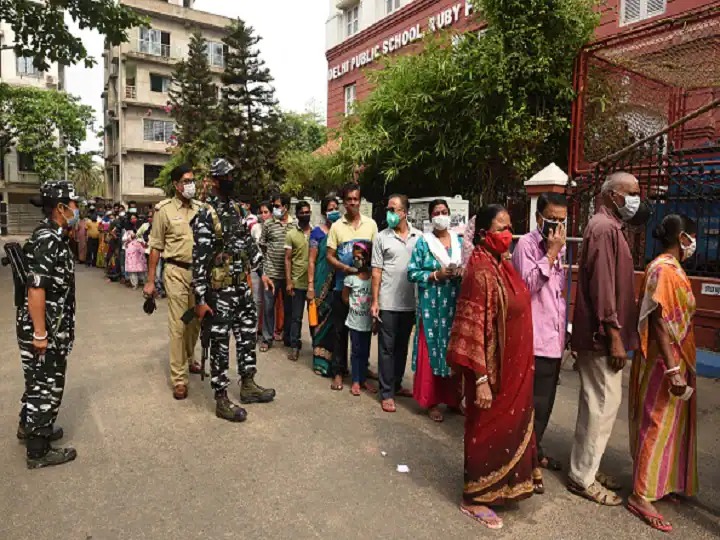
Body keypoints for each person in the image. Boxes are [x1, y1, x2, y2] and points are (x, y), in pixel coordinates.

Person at [447, 204, 540, 530]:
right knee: (486, 428)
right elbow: (472, 331)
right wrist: (482, 380)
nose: (508, 233)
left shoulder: (503, 264)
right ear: (485, 233)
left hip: (514, 368)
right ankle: (475, 496)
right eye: (501, 228)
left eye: (510, 226)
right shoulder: (480, 272)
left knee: (508, 428)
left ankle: (502, 485)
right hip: (492, 373)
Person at [568, 172, 643, 505]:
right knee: (602, 406)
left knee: (594, 404)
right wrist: (613, 334)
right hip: (601, 337)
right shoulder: (604, 229)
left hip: (602, 333)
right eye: (633, 193)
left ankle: (586, 467)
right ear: (613, 195)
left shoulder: (608, 228)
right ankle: (583, 477)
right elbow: (602, 286)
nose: (638, 200)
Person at [628, 214, 698, 532]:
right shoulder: (663, 270)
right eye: (692, 237)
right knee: (656, 424)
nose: (694, 244)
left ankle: (660, 483)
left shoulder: (673, 268)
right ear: (683, 237)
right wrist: (672, 369)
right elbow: (657, 321)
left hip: (679, 358)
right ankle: (641, 494)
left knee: (673, 426)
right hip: (662, 361)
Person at [193, 158, 275, 422]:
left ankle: (248, 384)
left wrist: (263, 272)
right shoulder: (207, 214)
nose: (231, 180)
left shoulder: (238, 210)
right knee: (219, 346)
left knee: (247, 338)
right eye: (226, 176)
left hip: (242, 288)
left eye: (232, 175)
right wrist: (200, 299)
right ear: (215, 181)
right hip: (220, 293)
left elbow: (249, 245)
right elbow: (200, 260)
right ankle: (221, 398)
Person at [17, 180, 81, 469]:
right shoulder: (48, 240)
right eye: (74, 204)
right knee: (47, 384)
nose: (77, 209)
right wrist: (41, 333)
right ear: (60, 207)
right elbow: (36, 289)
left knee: (38, 380)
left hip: (50, 326)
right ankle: (38, 450)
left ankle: (29, 427)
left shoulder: (53, 236)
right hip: (45, 328)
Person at [511, 192, 568, 478]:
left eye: (562, 220)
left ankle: (536, 451)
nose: (556, 225)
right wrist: (551, 254)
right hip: (533, 340)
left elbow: (558, 293)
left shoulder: (561, 247)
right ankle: (525, 464)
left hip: (554, 339)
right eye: (551, 219)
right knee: (531, 406)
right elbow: (525, 289)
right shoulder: (527, 245)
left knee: (545, 405)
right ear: (538, 218)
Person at [145, 164, 203, 400]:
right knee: (179, 325)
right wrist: (150, 281)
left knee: (194, 321)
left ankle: (189, 357)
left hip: (198, 275)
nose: (191, 185)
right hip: (176, 272)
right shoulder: (164, 210)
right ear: (176, 185)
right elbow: (156, 247)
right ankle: (179, 378)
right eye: (187, 181)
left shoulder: (202, 209)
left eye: (192, 180)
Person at [407, 199, 463, 421]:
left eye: (444, 212)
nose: (441, 215)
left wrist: (460, 272)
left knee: (452, 351)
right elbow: (412, 272)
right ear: (431, 218)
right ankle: (430, 401)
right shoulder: (423, 243)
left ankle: (453, 399)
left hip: (453, 304)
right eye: (437, 212)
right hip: (431, 306)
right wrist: (433, 275)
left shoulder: (459, 241)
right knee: (430, 351)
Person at [371, 194, 421, 413]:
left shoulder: (419, 237)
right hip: (388, 302)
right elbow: (376, 272)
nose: (389, 213)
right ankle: (386, 392)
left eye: (393, 209)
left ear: (404, 212)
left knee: (401, 348)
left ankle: (397, 383)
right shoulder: (382, 237)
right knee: (386, 349)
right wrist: (375, 301)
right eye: (388, 209)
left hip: (410, 303)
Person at [327, 182, 378, 391]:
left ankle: (361, 371)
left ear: (360, 200)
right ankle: (338, 372)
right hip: (343, 287)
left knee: (363, 332)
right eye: (349, 200)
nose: (353, 203)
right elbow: (329, 256)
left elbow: (377, 255)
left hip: (364, 290)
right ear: (344, 202)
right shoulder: (337, 227)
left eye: (356, 199)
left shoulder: (371, 225)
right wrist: (344, 267)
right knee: (340, 332)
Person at [307, 196, 341, 376]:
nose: (334, 211)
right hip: (320, 284)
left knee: (335, 324)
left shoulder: (342, 231)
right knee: (318, 322)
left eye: (336, 208)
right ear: (323, 212)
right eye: (330, 208)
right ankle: (320, 361)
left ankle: (335, 363)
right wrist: (311, 285)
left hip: (337, 283)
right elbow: (311, 261)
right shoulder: (317, 234)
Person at [259, 194, 294, 352]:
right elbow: (263, 246)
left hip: (289, 276)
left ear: (286, 207)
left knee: (289, 308)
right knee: (268, 308)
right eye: (274, 206)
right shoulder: (268, 224)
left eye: (278, 206)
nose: (275, 209)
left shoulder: (295, 225)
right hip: (271, 273)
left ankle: (287, 337)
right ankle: (267, 338)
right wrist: (265, 270)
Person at [342, 241, 375, 396]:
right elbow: (345, 297)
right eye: (355, 257)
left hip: (368, 322)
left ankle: (362, 379)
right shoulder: (350, 279)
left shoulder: (373, 278)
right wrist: (355, 306)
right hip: (354, 321)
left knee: (365, 351)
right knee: (356, 350)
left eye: (360, 256)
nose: (357, 260)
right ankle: (355, 380)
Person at [284, 201, 312, 361]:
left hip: (313, 283)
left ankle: (318, 348)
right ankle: (294, 346)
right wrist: (289, 281)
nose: (305, 215)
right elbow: (287, 259)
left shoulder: (316, 233)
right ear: (297, 215)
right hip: (297, 281)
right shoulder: (291, 234)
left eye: (307, 212)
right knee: (296, 317)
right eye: (302, 212)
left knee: (315, 318)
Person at [123, 214, 147, 289]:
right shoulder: (127, 230)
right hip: (131, 252)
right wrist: (131, 237)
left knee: (141, 267)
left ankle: (143, 282)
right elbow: (124, 239)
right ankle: (134, 284)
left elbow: (144, 239)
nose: (133, 220)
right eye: (132, 218)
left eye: (135, 218)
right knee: (132, 268)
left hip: (140, 251)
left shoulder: (142, 228)